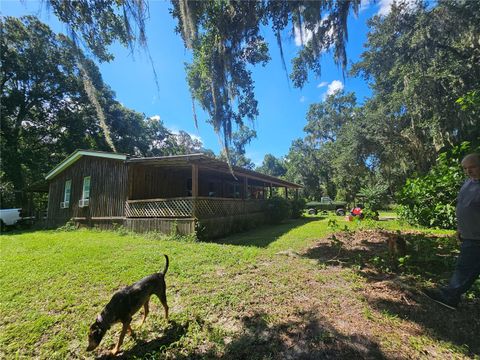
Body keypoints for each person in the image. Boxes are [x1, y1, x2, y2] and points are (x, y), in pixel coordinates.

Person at [424, 153, 480, 309]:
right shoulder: (469, 183)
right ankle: (451, 293)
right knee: (466, 267)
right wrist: (460, 229)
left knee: (466, 268)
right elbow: (463, 206)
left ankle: (450, 297)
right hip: (468, 235)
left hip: (477, 238)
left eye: (473, 167)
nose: (469, 171)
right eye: (465, 168)